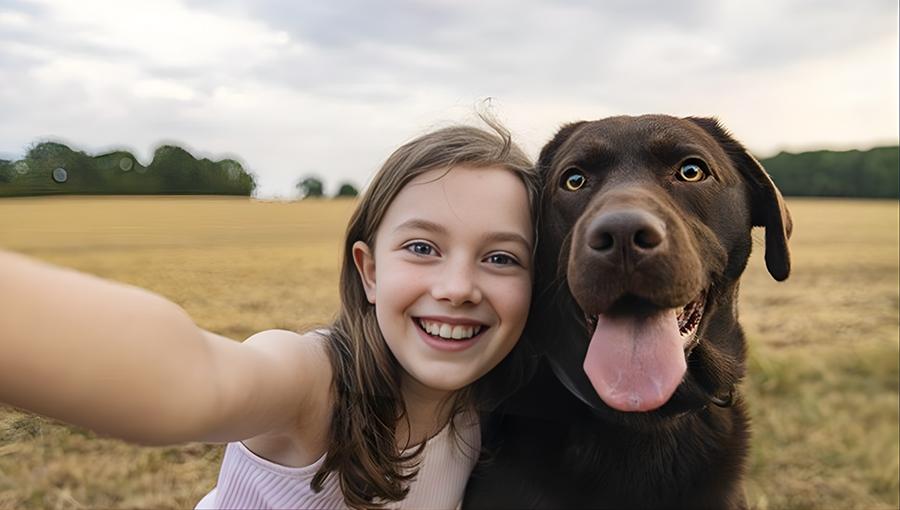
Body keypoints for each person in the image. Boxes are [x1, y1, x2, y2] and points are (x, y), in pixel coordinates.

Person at [0, 119, 539, 509]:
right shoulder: (312, 382)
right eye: (423, 248)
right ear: (368, 272)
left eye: (501, 258)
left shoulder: (489, 407)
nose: (458, 288)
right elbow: (192, 378)